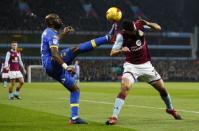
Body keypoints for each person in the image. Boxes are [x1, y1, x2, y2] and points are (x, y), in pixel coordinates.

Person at [106, 19, 182, 125]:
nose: (135, 31)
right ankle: (114, 116)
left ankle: (170, 109)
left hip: (146, 65)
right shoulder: (121, 36)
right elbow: (112, 52)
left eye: (134, 28)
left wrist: (148, 23)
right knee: (125, 87)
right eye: (132, 30)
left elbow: (158, 28)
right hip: (131, 66)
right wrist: (121, 50)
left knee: (162, 89)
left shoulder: (139, 25)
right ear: (126, 31)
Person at [41, 13, 111, 124]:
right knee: (76, 49)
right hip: (52, 63)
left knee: (75, 89)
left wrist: (63, 33)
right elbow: (54, 54)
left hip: (52, 69)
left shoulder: (49, 32)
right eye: (57, 19)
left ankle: (74, 118)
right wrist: (66, 66)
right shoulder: (50, 33)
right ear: (51, 22)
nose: (60, 20)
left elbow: (56, 38)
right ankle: (107, 38)